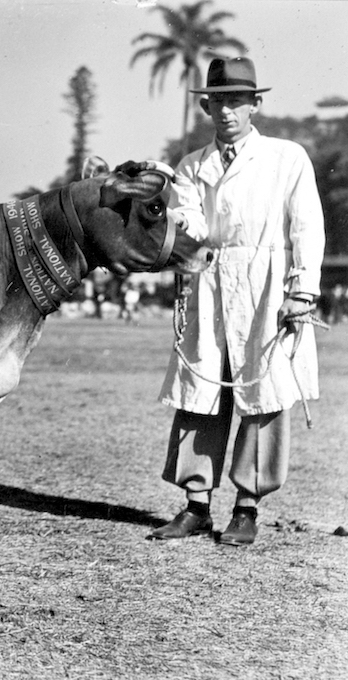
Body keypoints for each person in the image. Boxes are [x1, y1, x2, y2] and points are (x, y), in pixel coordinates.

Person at [149, 57, 325, 546]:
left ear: (255, 105)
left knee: (262, 391)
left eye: (237, 101)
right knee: (200, 389)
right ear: (206, 106)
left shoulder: (286, 158)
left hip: (266, 282)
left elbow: (307, 226)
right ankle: (196, 504)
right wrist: (164, 206)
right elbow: (193, 226)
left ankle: (247, 506)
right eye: (218, 101)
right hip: (208, 279)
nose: (227, 111)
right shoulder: (191, 166)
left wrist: (301, 290)